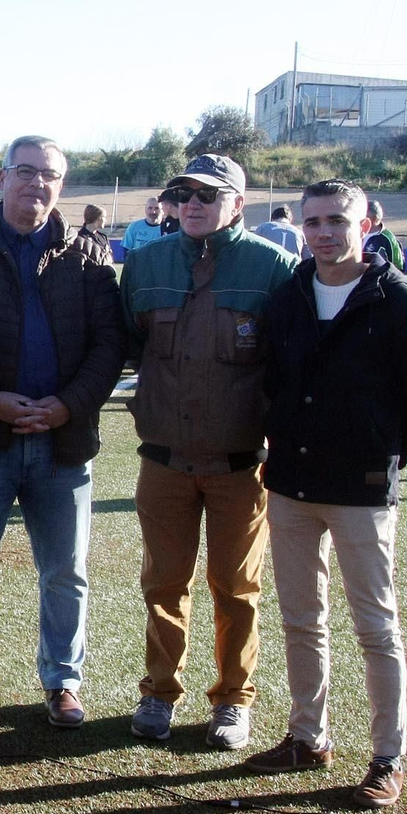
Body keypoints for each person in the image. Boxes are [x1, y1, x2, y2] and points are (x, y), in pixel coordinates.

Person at [242, 179, 407, 808]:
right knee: (302, 620)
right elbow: (271, 381)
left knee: (376, 626)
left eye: (336, 220)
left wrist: (383, 453)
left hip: (360, 490)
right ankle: (308, 736)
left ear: (367, 224)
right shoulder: (290, 297)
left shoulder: (400, 304)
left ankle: (388, 757)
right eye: (314, 222)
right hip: (293, 486)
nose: (324, 232)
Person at [0, 137, 123, 728]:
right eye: (24, 171)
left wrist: (68, 407)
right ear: (1, 178)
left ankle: (62, 682)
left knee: (65, 571)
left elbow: (108, 346)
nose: (35, 183)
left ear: (61, 185)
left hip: (62, 442)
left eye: (49, 174)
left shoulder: (89, 257)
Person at [120, 154, 297, 748]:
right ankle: (158, 692)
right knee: (163, 584)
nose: (193, 204)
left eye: (209, 195)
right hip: (163, 460)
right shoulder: (143, 265)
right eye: (184, 194)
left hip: (239, 466)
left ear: (238, 204)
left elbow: (295, 361)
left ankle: (232, 700)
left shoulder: (275, 268)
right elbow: (123, 345)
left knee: (237, 589)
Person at [363, 200, 404, 272]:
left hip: (376, 281)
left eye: (367, 218)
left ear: (376, 219)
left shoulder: (387, 238)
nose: (363, 221)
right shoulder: (356, 233)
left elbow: (397, 265)